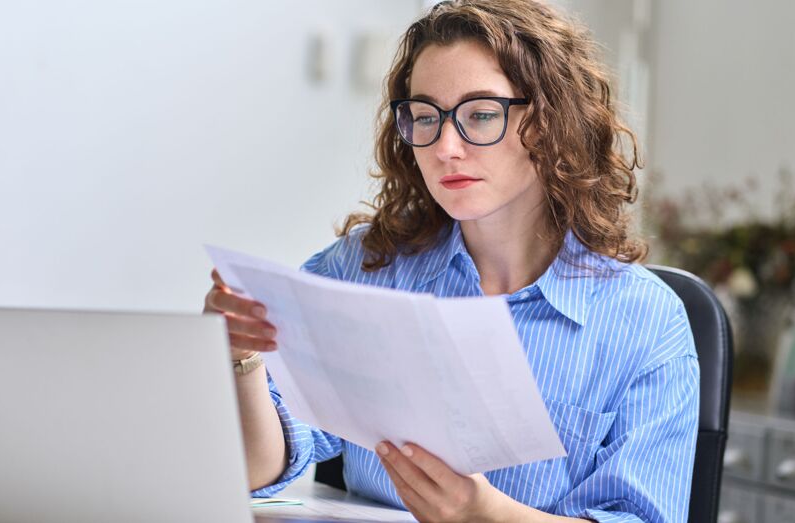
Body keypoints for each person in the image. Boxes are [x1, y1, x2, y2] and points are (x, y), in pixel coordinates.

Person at [203, 1, 699, 521]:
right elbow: (257, 469)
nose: (445, 147)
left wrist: (481, 513)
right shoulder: (365, 267)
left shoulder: (648, 323)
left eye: (480, 114)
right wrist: (242, 359)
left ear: (551, 124)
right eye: (423, 116)